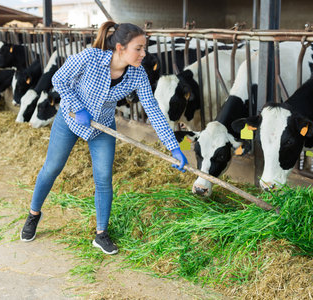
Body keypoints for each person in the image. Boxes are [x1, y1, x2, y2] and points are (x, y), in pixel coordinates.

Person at [20, 21, 188, 255]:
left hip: (102, 126)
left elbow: (152, 108)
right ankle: (33, 214)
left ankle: (101, 234)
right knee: (52, 168)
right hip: (70, 118)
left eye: (145, 48)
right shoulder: (91, 58)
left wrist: (173, 147)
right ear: (120, 48)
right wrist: (78, 108)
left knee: (104, 177)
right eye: (138, 48)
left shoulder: (138, 74)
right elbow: (58, 79)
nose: (144, 53)